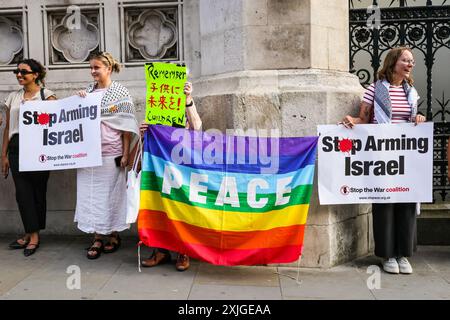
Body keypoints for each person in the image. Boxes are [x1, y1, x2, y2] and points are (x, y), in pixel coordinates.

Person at [341, 47, 426, 274]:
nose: (410, 64)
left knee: (406, 200)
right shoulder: (374, 90)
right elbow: (365, 118)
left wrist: (418, 118)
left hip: (405, 155)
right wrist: (353, 121)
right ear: (393, 63)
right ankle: (388, 255)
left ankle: (403, 254)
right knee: (385, 202)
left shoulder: (411, 92)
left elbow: (412, 119)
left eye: (412, 61)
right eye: (406, 60)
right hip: (383, 155)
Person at [75, 52, 139, 259]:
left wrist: (126, 152)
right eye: (91, 68)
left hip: (112, 152)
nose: (93, 71)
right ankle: (97, 238)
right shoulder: (87, 92)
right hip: (88, 155)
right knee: (91, 196)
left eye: (97, 68)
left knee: (111, 196)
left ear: (108, 69)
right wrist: (79, 101)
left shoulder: (120, 92)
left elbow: (127, 126)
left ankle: (113, 235)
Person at [140, 81, 202, 271]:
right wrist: (143, 132)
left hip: (182, 168)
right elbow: (146, 142)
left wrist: (188, 99)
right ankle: (161, 250)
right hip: (160, 169)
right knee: (159, 207)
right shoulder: (155, 111)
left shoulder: (184, 105)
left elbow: (197, 128)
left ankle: (183, 251)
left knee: (181, 208)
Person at [1, 59, 57, 256]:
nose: (19, 74)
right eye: (16, 71)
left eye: (23, 71)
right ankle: (32, 235)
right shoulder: (12, 98)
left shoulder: (47, 96)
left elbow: (56, 124)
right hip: (17, 148)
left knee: (37, 192)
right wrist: (4, 155)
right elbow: (8, 127)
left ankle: (32, 233)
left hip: (39, 148)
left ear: (36, 75)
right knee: (23, 193)